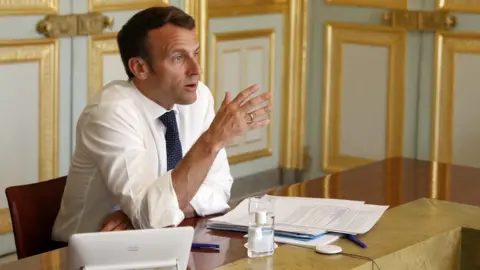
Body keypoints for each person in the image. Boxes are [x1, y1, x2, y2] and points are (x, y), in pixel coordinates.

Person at [51, 5, 271, 242]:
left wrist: (141, 216)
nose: (196, 70)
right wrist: (212, 140)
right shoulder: (110, 113)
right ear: (140, 68)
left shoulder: (199, 98)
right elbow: (151, 217)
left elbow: (219, 190)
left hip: (161, 242)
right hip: (87, 255)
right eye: (178, 57)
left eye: (195, 54)